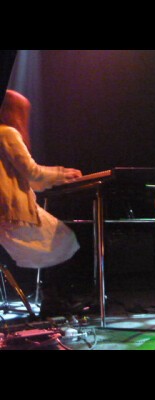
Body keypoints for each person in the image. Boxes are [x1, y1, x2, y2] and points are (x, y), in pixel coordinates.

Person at [0, 89, 82, 317]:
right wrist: (64, 174)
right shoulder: (7, 133)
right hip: (11, 211)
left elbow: (29, 180)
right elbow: (33, 174)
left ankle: (54, 298)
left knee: (58, 240)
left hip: (6, 211)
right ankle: (54, 300)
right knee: (64, 239)